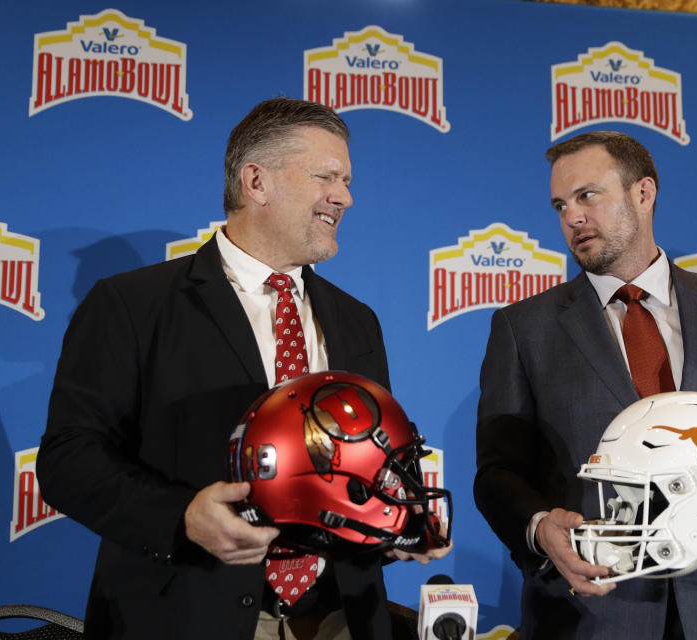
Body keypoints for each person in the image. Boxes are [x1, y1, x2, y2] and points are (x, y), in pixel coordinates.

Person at [38, 97, 449, 640]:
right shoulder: (132, 305)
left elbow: (371, 459)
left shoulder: (357, 321)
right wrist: (182, 516)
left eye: (347, 181)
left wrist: (398, 521)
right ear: (256, 182)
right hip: (188, 614)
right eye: (327, 176)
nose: (345, 197)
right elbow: (69, 461)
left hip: (338, 617)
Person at [473, 131, 697, 639]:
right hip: (590, 613)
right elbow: (497, 472)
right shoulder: (523, 328)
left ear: (644, 193)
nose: (572, 217)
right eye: (560, 205)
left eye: (588, 195)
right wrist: (538, 525)